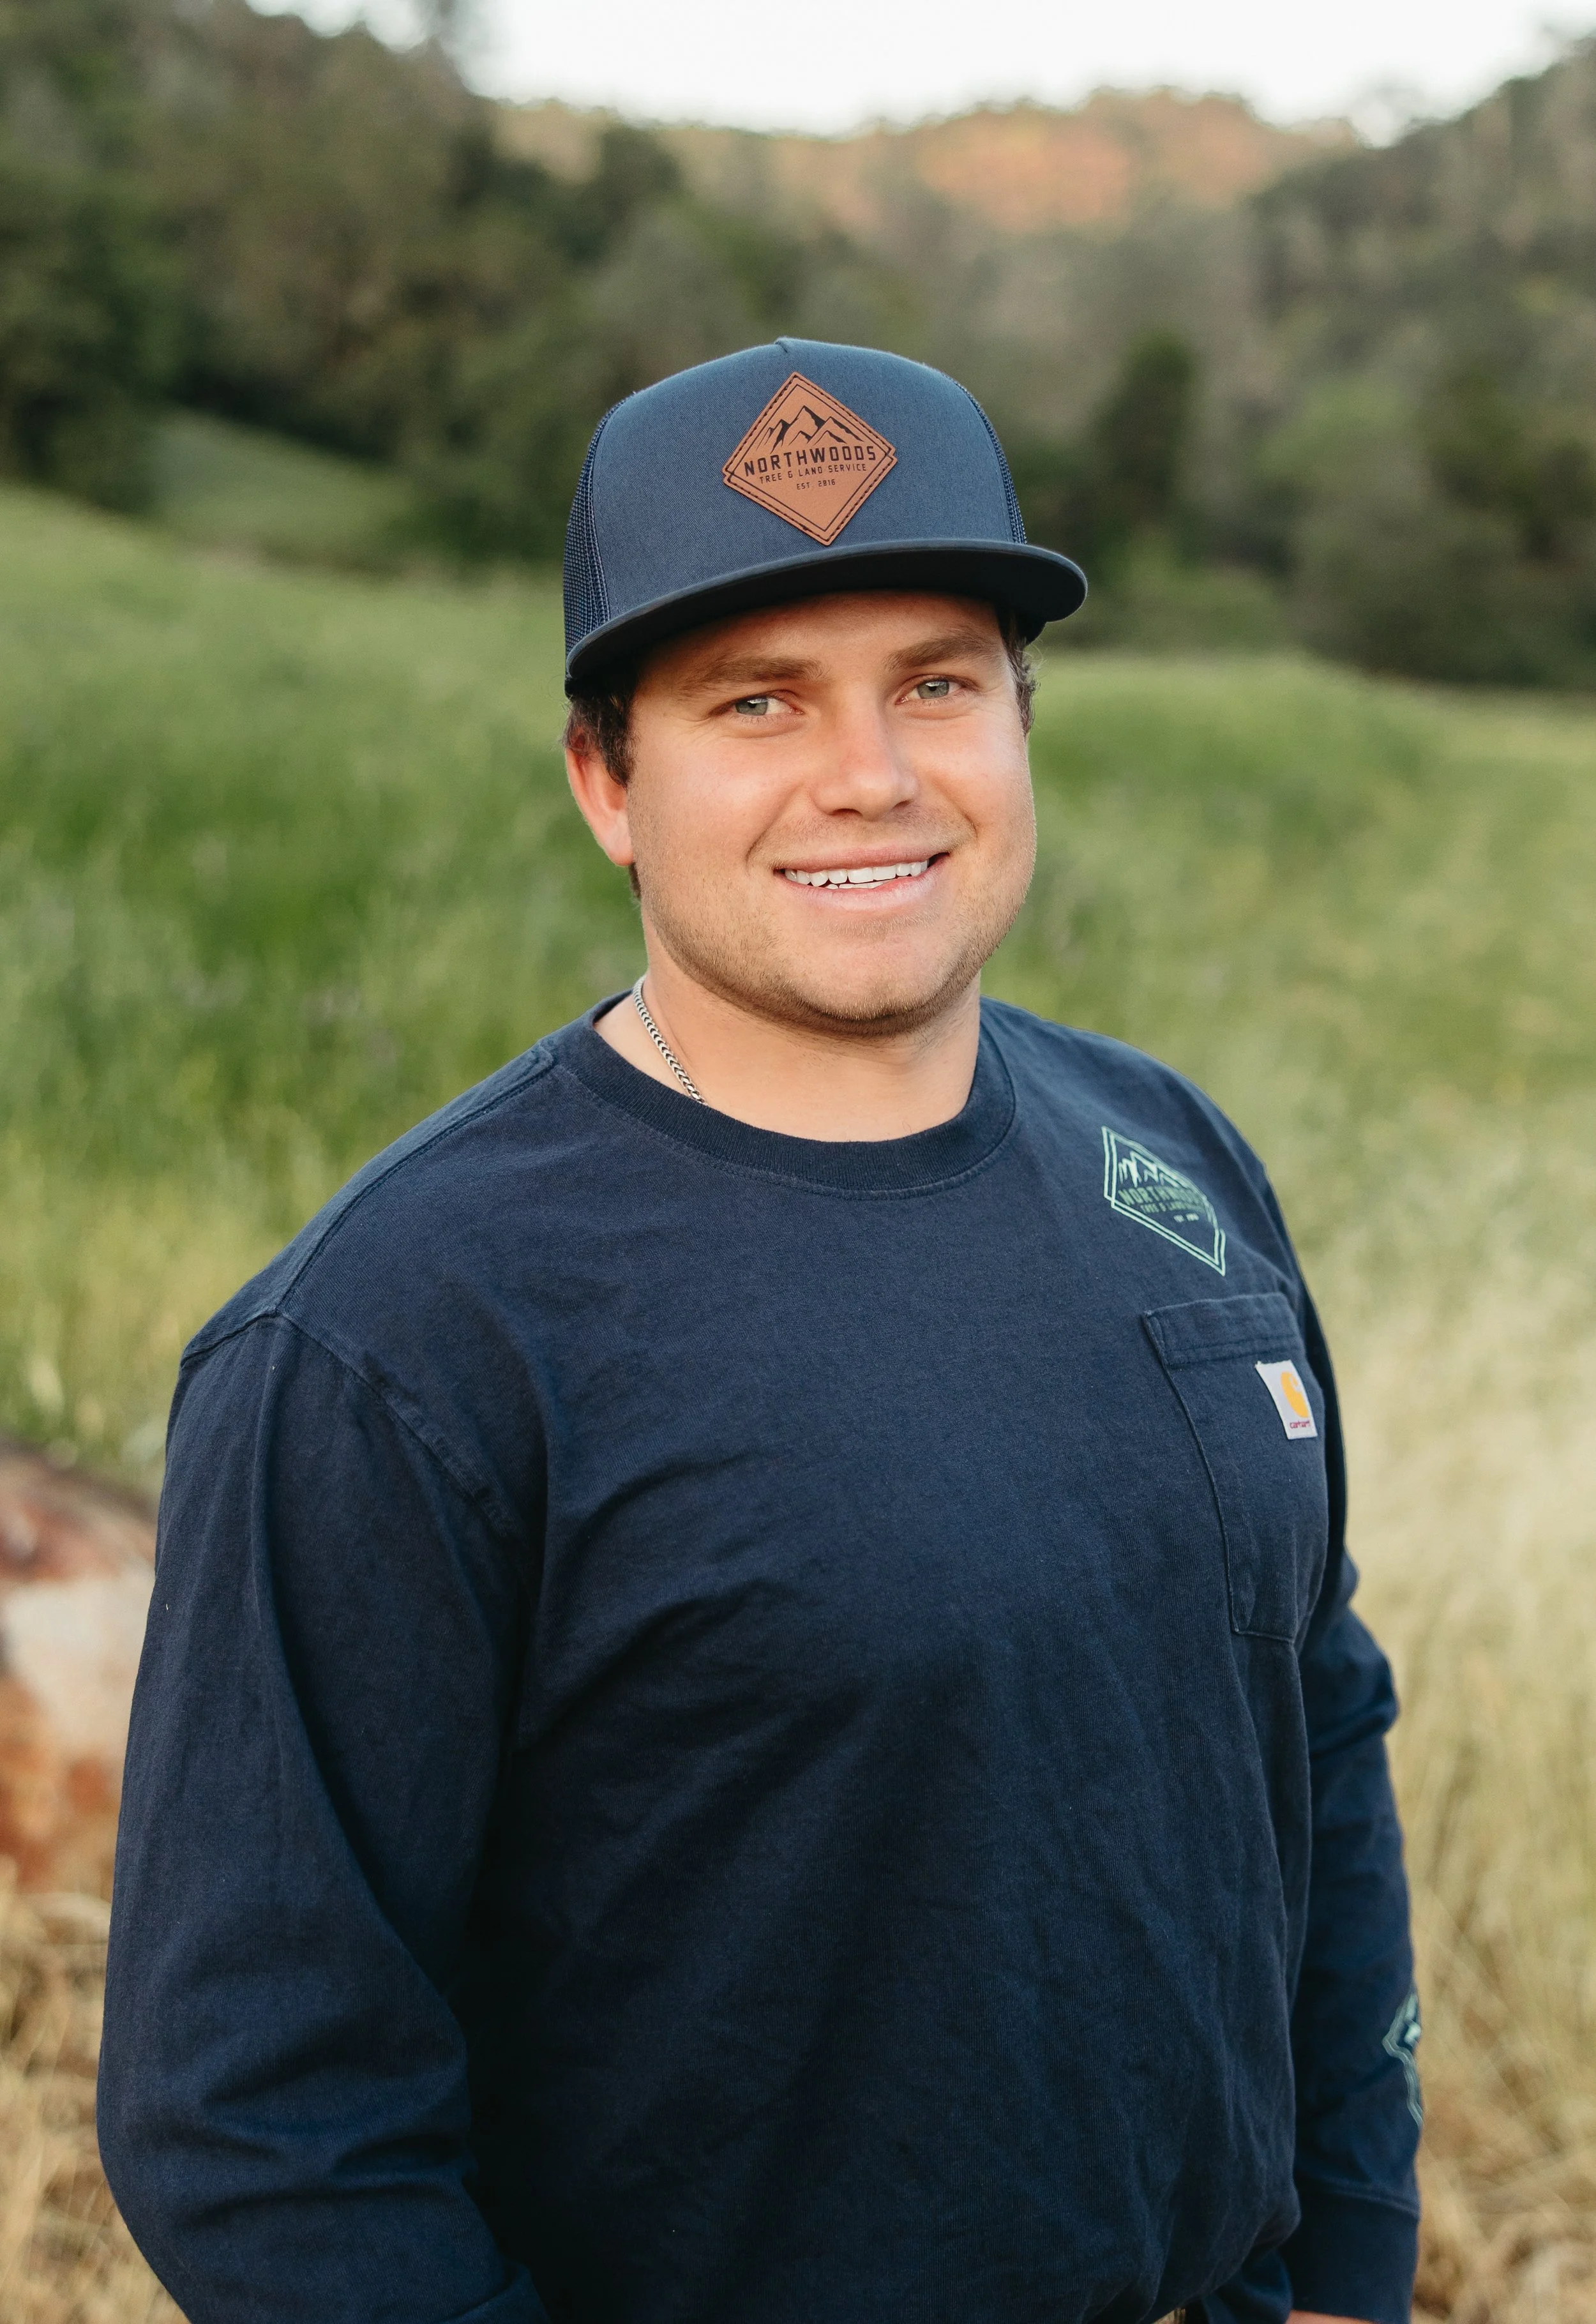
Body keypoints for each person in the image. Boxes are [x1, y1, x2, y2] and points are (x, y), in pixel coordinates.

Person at [100, 339, 1422, 2324]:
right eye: (755, 699)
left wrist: (1345, 2264)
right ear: (605, 781)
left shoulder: (1168, 1157)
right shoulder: (394, 1340)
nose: (870, 774)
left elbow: (1309, 1729)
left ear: (1018, 722)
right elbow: (261, 2118)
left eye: (938, 682)